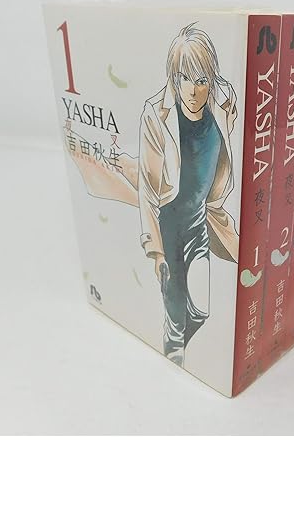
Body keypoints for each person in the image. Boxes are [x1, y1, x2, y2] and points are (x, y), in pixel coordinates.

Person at [66, 23, 239, 366]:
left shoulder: (222, 104)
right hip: (168, 227)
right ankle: (172, 351)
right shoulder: (156, 115)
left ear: (211, 80)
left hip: (199, 225)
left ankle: (179, 338)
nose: (193, 90)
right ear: (174, 78)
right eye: (184, 79)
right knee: (176, 323)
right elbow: (147, 187)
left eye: (201, 80)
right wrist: (155, 249)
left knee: (202, 310)